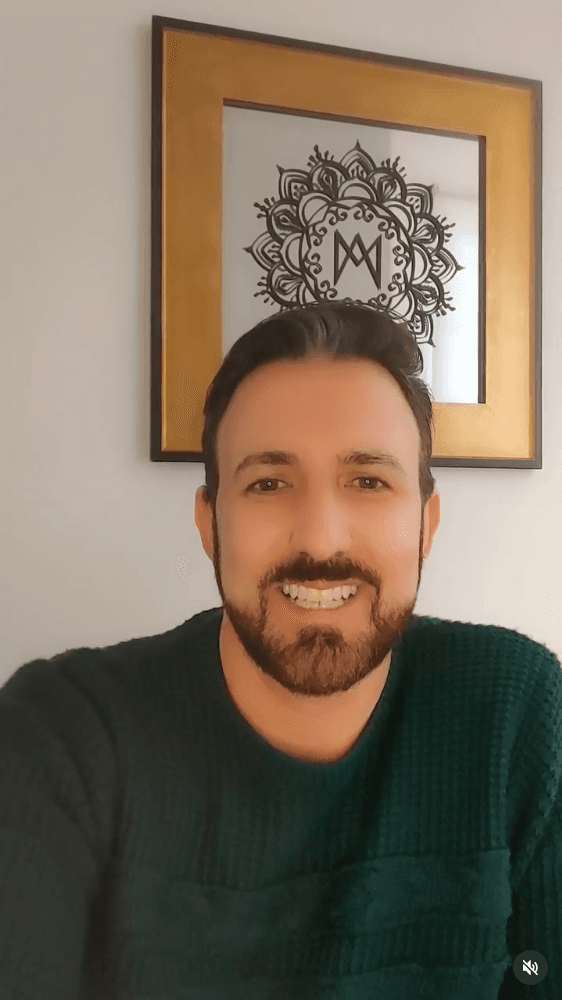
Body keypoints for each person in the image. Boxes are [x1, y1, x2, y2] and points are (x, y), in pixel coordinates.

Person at [1, 302, 560, 999]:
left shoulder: (515, 715)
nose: (321, 540)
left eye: (368, 481)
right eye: (268, 483)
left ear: (427, 522)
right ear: (211, 524)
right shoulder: (64, 735)